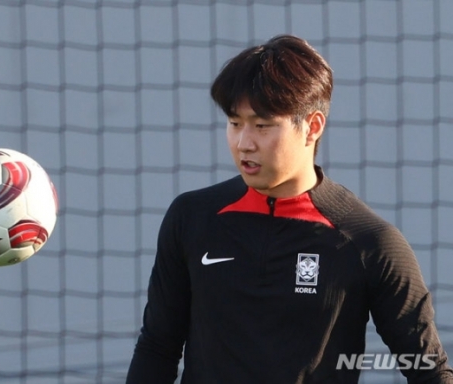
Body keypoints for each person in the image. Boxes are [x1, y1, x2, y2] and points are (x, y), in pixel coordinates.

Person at [125, 34, 453, 383]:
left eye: (262, 125)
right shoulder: (191, 218)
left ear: (312, 127)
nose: (243, 143)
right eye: (235, 123)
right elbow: (157, 348)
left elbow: (429, 371)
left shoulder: (370, 242)